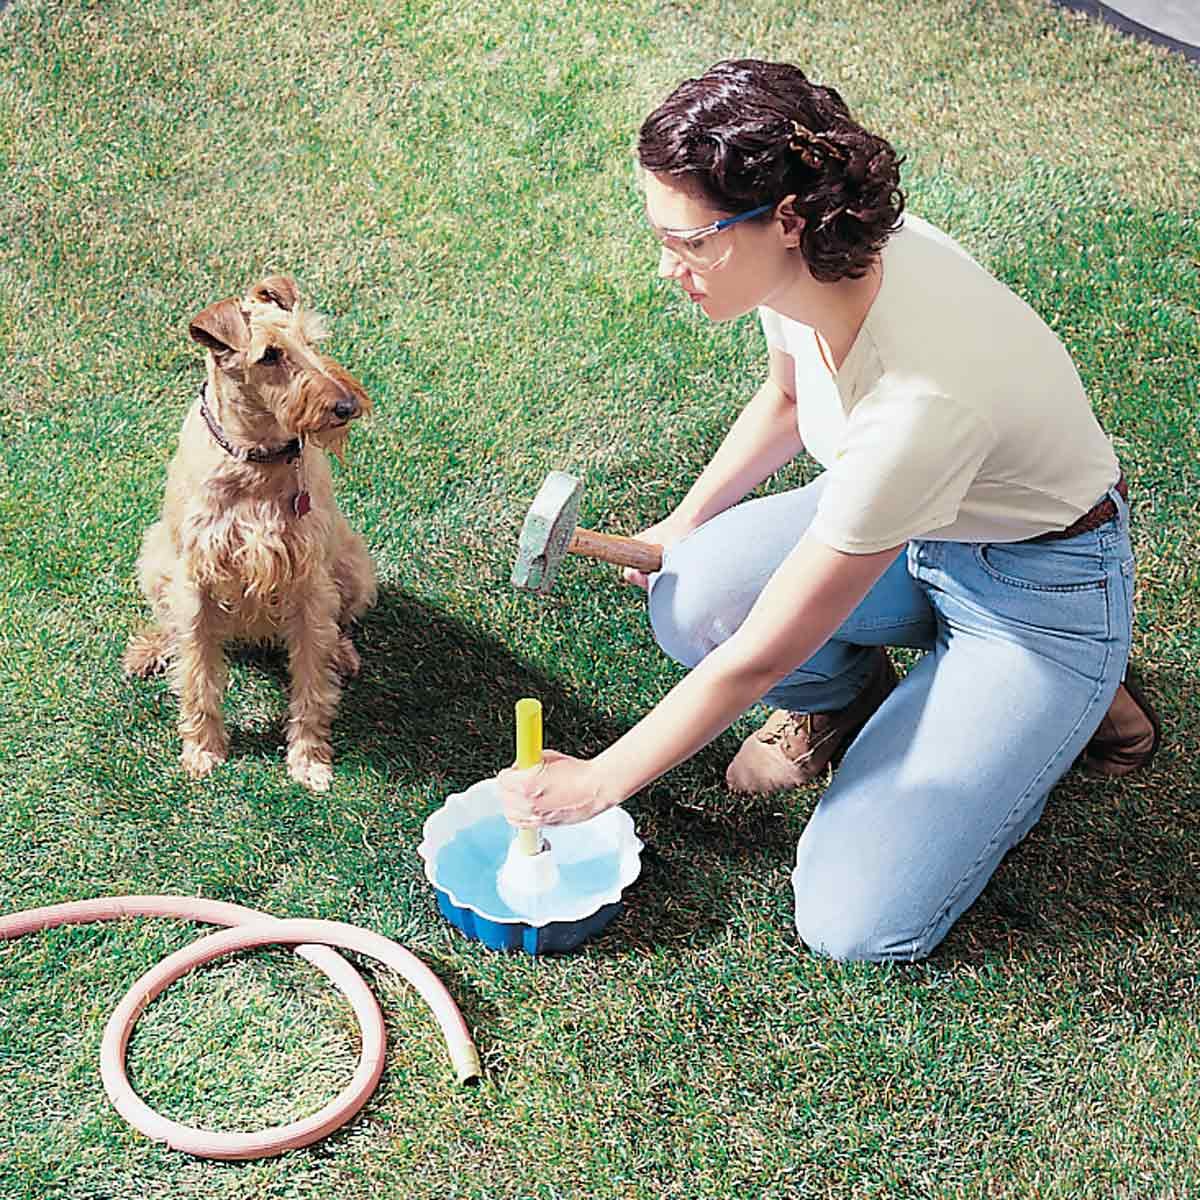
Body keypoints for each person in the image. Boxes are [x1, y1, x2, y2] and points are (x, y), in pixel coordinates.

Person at [498, 59, 1160, 962]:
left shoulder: (919, 401)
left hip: (1037, 595)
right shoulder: (806, 270)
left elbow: (762, 653)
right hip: (913, 525)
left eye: (690, 241)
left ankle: (1074, 693)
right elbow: (786, 400)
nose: (668, 267)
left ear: (786, 219)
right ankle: (853, 709)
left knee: (855, 923)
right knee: (694, 589)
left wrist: (603, 780)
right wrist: (682, 523)